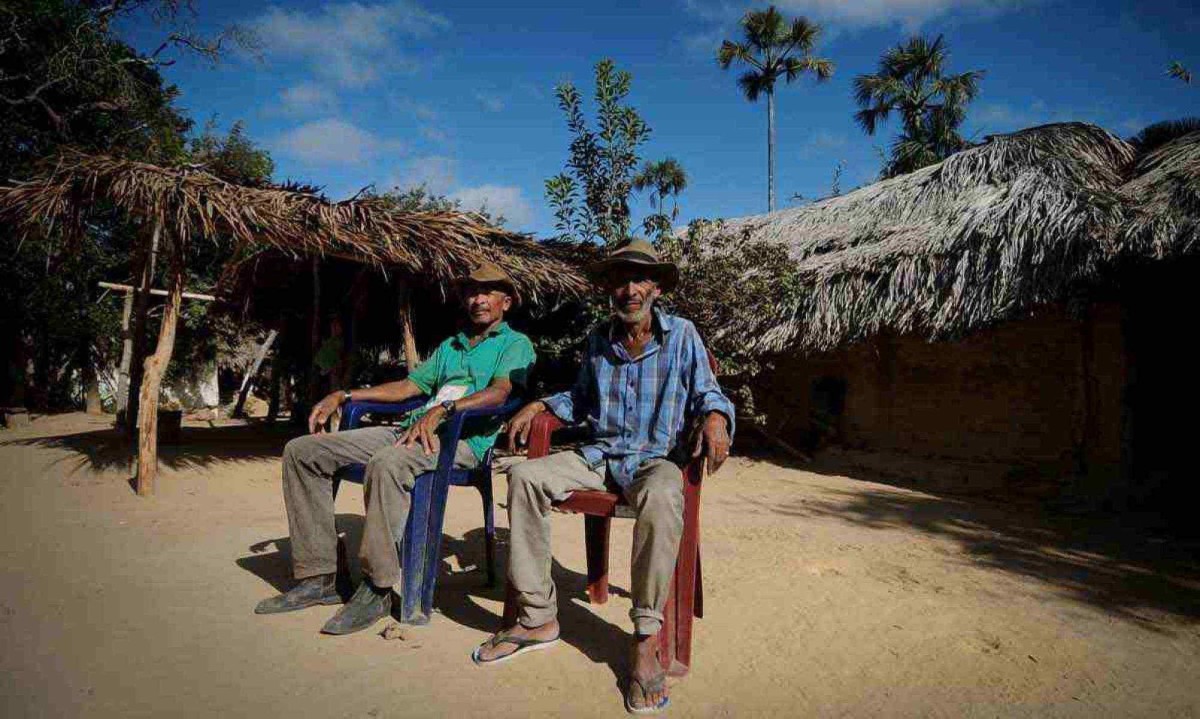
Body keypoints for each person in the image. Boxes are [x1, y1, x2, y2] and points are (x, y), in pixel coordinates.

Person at [472, 239, 734, 715]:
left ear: (655, 287)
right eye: (619, 280)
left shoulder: (683, 336)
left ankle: (644, 636)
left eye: (639, 279)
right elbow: (582, 399)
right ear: (609, 289)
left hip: (656, 459)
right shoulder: (599, 339)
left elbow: (709, 393)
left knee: (661, 493)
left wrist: (716, 417)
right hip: (600, 455)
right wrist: (540, 404)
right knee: (526, 477)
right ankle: (536, 617)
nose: (629, 289)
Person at [255, 262, 536, 636]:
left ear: (507, 301)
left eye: (487, 291)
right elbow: (408, 387)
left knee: (388, 463)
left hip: (463, 441)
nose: (478, 299)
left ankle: (378, 586)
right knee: (303, 452)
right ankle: (319, 577)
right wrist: (346, 394)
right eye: (470, 291)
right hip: (412, 430)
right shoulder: (451, 345)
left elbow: (501, 392)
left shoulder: (514, 344)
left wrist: (445, 410)